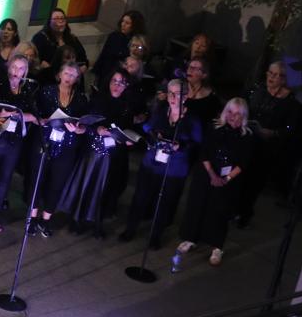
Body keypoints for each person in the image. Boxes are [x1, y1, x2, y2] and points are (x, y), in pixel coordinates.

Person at [120, 80, 204, 248]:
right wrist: (150, 133)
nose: (172, 97)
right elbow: (148, 127)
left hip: (174, 169)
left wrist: (181, 146)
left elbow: (198, 144)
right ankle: (130, 228)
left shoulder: (192, 120)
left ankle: (155, 235)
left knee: (165, 202)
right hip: (151, 162)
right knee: (140, 197)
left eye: (177, 94)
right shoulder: (161, 110)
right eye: (170, 93)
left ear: (186, 96)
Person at [175, 98, 253, 268]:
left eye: (238, 113)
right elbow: (204, 152)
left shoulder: (246, 136)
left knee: (220, 212)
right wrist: (212, 175)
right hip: (206, 174)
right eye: (230, 111)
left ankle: (217, 247)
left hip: (228, 180)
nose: (233, 116)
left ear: (243, 116)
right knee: (197, 206)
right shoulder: (214, 128)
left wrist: (226, 179)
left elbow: (243, 163)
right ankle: (191, 238)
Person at [63, 68, 138, 238]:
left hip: (114, 154)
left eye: (122, 83)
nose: (117, 86)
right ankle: (78, 220)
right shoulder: (98, 100)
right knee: (87, 185)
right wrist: (97, 130)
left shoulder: (127, 106)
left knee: (106, 189)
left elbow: (128, 129)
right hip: (94, 151)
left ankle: (98, 222)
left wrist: (128, 139)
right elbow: (85, 124)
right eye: (114, 81)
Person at [0, 54, 38, 234]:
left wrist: (18, 115)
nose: (16, 71)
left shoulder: (27, 91)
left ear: (25, 72)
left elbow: (33, 116)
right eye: (14, 67)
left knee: (5, 179)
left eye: (21, 68)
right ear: (8, 67)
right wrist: (1, 114)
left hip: (15, 140)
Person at [27, 60, 89, 237]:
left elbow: (84, 125)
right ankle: (32, 218)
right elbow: (36, 113)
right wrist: (44, 120)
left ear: (77, 78)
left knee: (57, 183)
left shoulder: (81, 98)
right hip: (44, 141)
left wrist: (78, 129)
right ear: (59, 74)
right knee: (37, 180)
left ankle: (45, 220)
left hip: (67, 145)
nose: (69, 77)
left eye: (73, 75)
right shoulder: (46, 91)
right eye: (66, 73)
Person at [238, 61, 302, 226]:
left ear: (284, 79)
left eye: (277, 75)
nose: (272, 77)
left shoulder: (291, 103)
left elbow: (290, 129)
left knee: (254, 182)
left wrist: (272, 133)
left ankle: (244, 213)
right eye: (270, 73)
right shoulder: (256, 91)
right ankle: (232, 209)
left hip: (266, 149)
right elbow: (239, 105)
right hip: (245, 141)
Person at [30, 8, 88, 81]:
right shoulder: (40, 38)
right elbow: (34, 58)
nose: (60, 21)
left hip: (70, 77)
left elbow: (83, 58)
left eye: (62, 18)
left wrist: (84, 66)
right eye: (56, 18)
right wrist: (41, 64)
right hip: (49, 77)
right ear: (49, 22)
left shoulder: (72, 39)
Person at [92, 10, 147, 86]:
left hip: (124, 78)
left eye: (127, 23)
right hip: (106, 74)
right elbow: (103, 55)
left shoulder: (138, 41)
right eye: (122, 21)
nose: (123, 24)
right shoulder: (114, 36)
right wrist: (97, 73)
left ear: (134, 26)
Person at [182, 57, 224, 126]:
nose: (190, 70)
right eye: (190, 67)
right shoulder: (179, 88)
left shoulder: (211, 98)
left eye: (196, 69)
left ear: (204, 75)